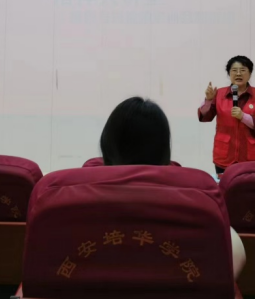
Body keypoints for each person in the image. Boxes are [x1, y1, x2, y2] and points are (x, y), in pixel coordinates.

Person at [101, 96, 246, 279]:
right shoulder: (201, 202)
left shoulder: (78, 199)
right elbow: (231, 265)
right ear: (164, 152)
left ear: (107, 149)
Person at [198, 55, 255, 177]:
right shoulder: (219, 94)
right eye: (234, 70)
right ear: (229, 73)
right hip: (224, 155)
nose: (238, 74)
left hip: (252, 156)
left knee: (251, 188)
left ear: (250, 73)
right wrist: (208, 100)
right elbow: (205, 117)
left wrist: (244, 117)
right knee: (225, 187)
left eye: (243, 70)